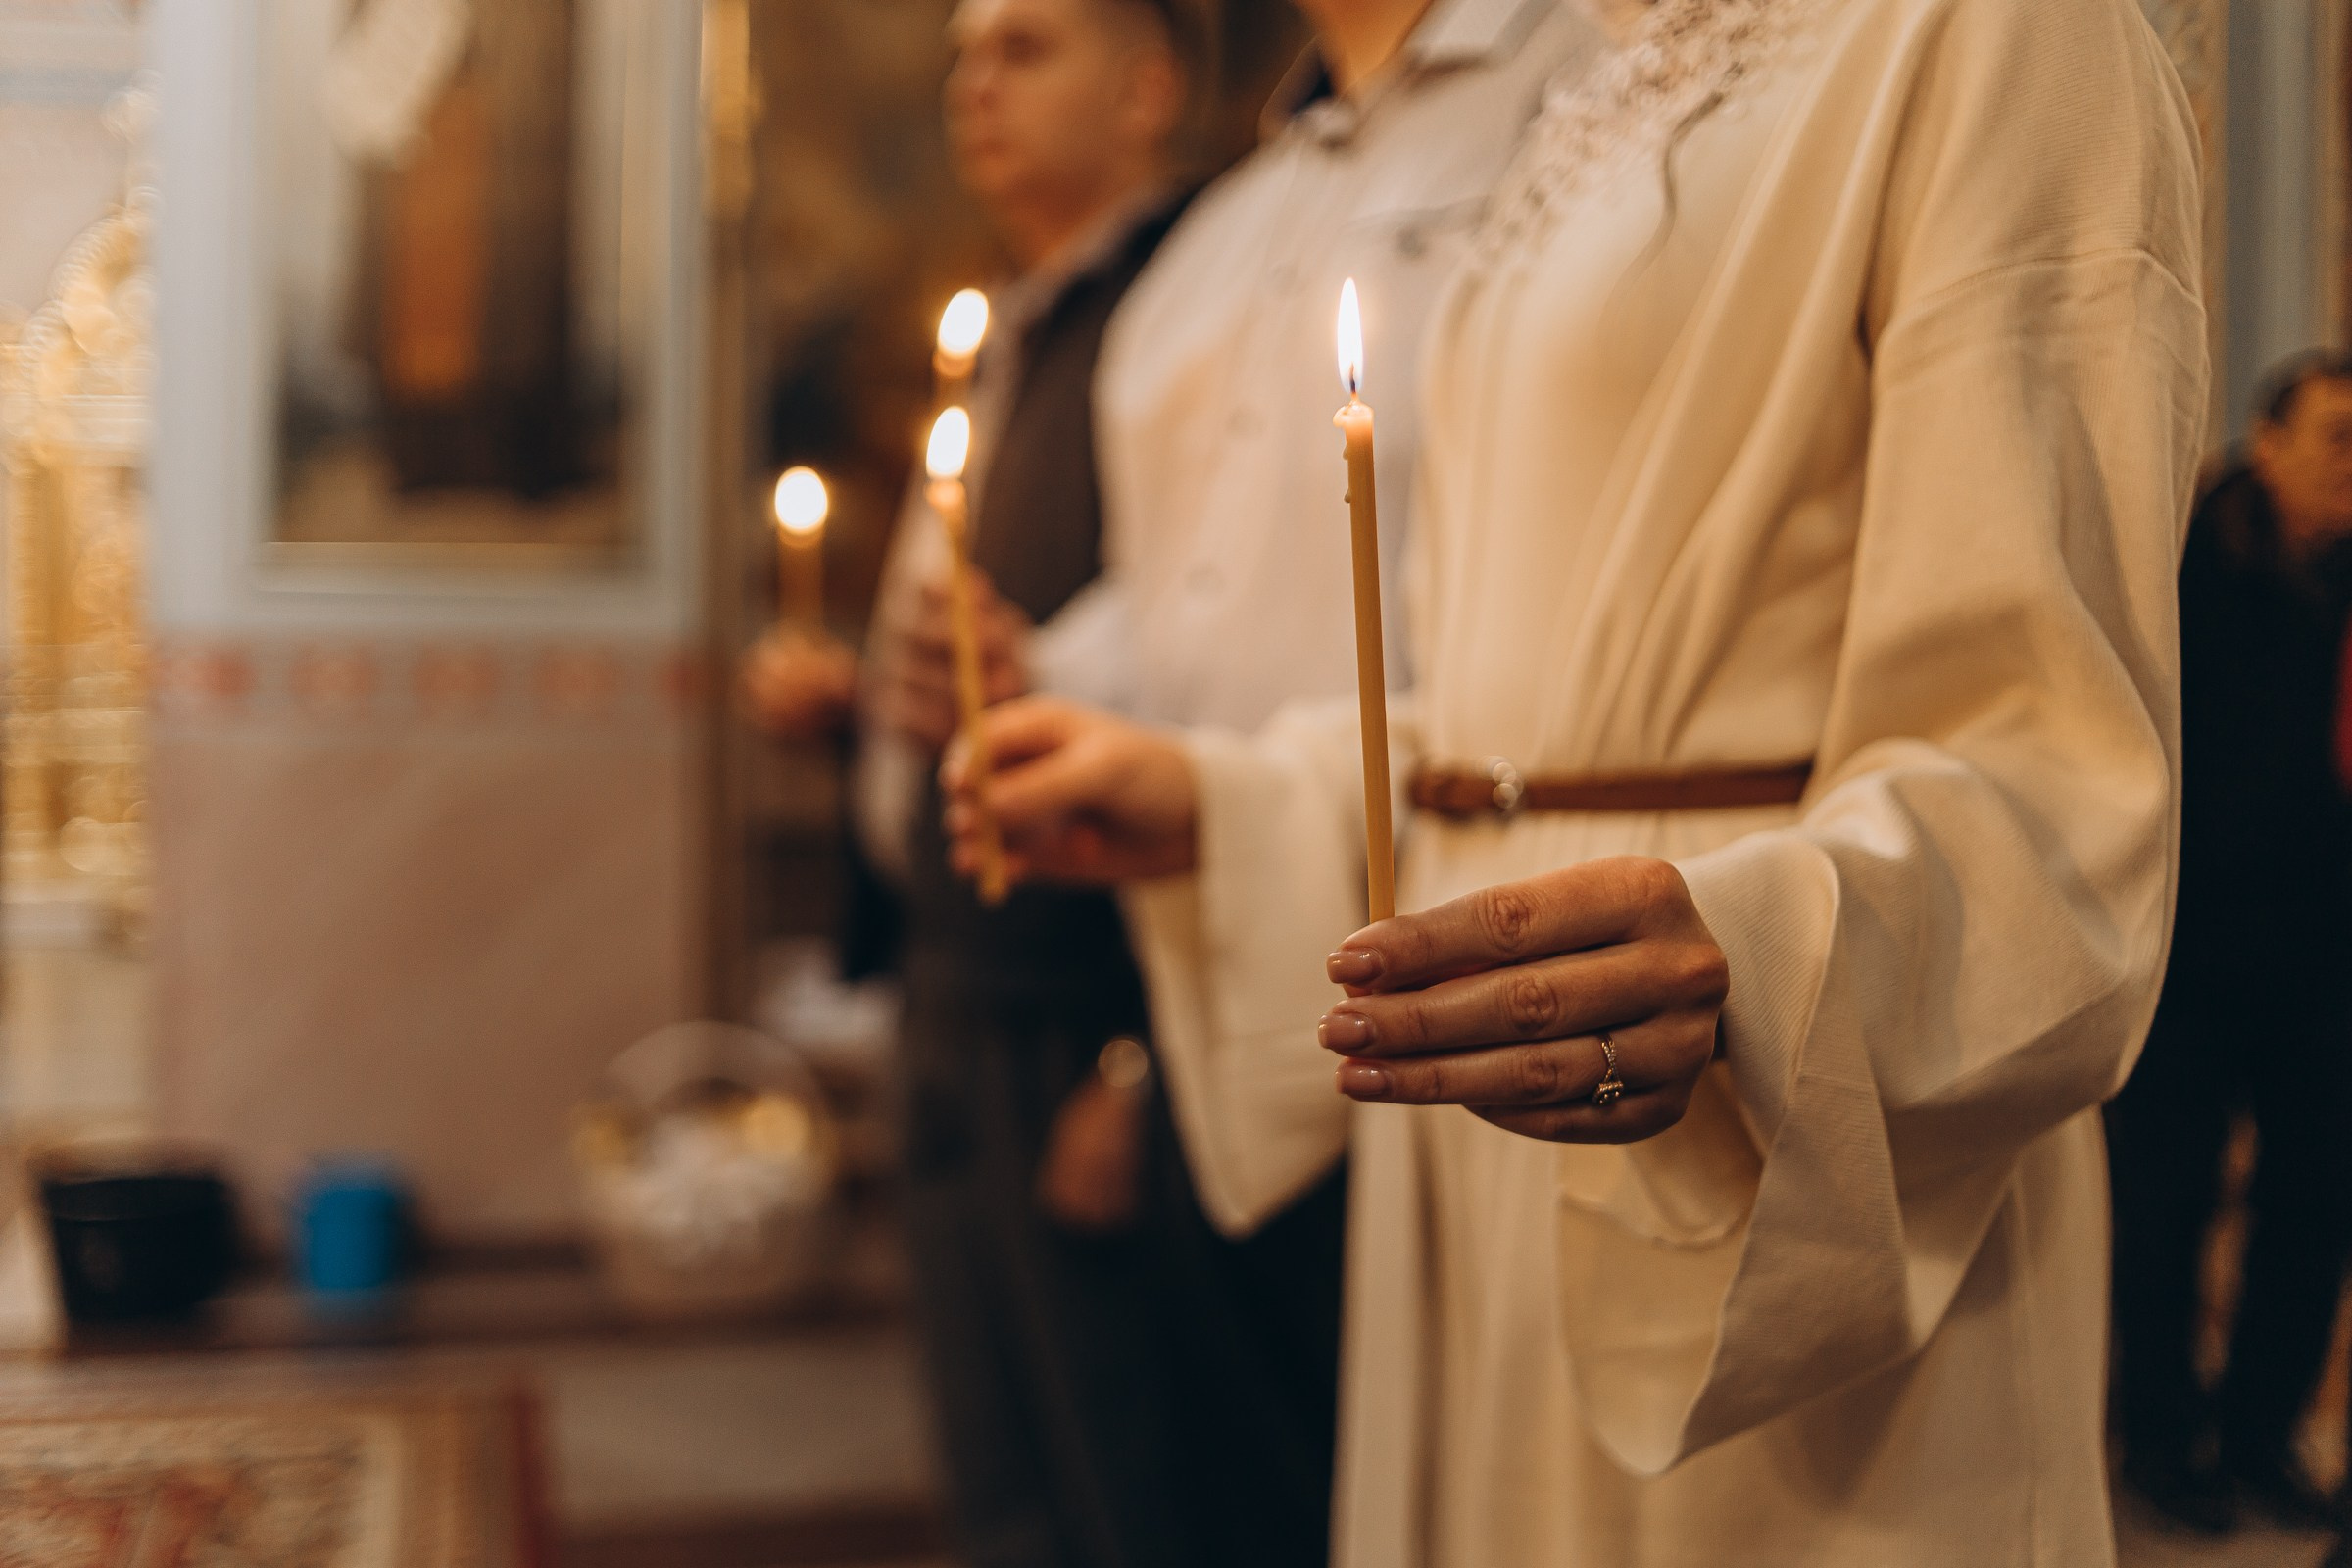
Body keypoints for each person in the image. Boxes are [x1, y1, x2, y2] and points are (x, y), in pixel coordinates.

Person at [947, 0, 2208, 1560]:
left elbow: (2051, 771)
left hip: (1765, 1155)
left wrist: (1757, 958)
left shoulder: (1995, 35)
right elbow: (1522, 733)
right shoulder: (1609, 71)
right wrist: (1231, 802)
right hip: (1493, 1138)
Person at [746, 2, 1200, 1563]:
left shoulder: (1181, 322)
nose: (974, 85)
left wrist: (1143, 1059)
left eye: (1027, 46)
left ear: (1148, 89)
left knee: (1122, 1475)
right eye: (960, 53)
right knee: (996, 1477)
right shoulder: (1013, 323)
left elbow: (1212, 686)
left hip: (1080, 1009)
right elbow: (994, 663)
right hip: (954, 977)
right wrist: (862, 717)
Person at [2108, 352, 2352, 1537]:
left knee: (2316, 1202)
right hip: (2193, 944)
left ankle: (2263, 1433)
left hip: (2324, 949)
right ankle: (2159, 1439)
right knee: (2162, 1205)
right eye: (2340, 436)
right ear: (2268, 441)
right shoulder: (2188, 563)